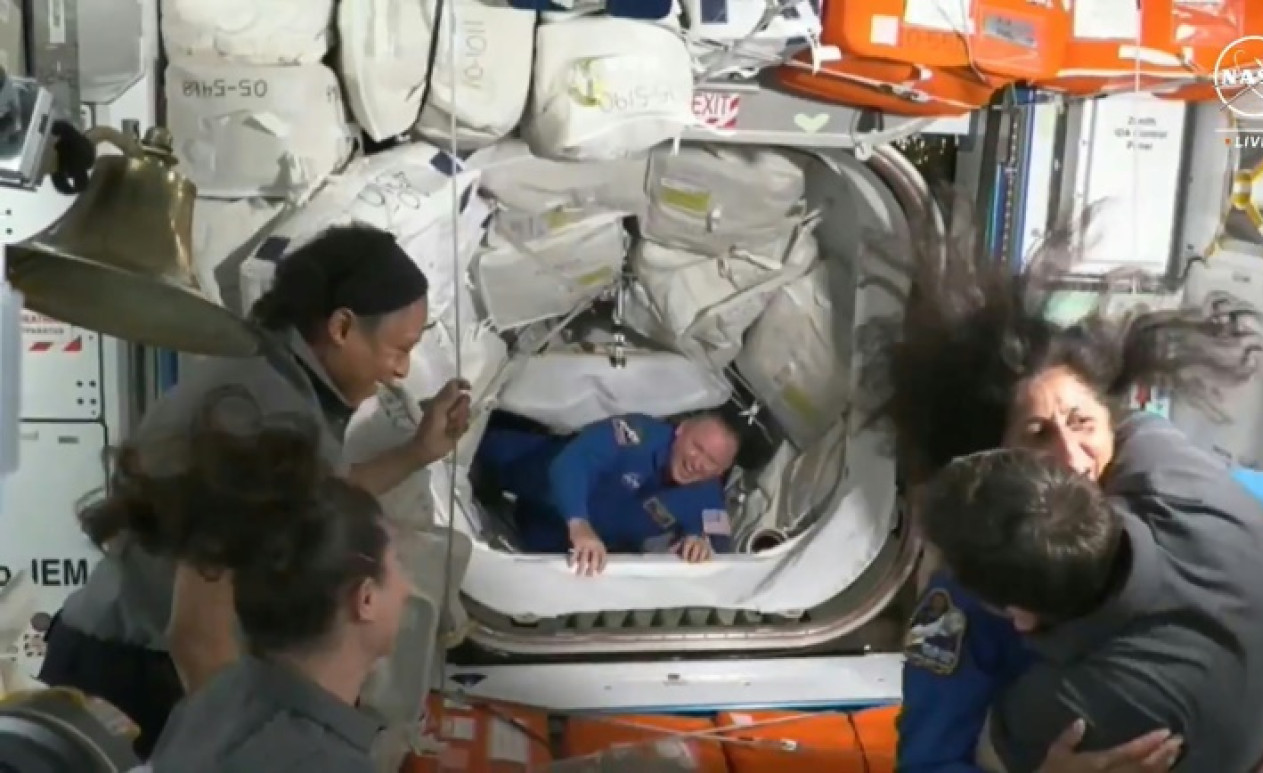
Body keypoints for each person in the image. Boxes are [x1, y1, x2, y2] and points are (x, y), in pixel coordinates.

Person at [882, 218, 1263, 772]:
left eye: (1081, 422)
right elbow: (927, 763)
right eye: (1037, 437)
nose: (1073, 458)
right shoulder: (975, 593)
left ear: (1115, 423)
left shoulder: (1168, 491)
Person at [38, 223, 470, 758]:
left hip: (125, 656)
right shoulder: (265, 409)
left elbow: (313, 498)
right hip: (131, 671)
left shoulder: (271, 376)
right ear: (341, 327)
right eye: (399, 349)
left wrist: (417, 453)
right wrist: (246, 748)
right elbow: (197, 635)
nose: (401, 371)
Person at [81, 400, 409, 771]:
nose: (407, 588)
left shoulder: (219, 700)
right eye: (397, 564)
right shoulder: (325, 763)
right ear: (364, 600)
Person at [474, 411, 740, 574]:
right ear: (680, 431)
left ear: (722, 471)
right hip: (525, 471)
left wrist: (700, 543)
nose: (698, 462)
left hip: (550, 543)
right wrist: (579, 523)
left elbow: (721, 545)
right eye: (697, 447)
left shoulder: (708, 496)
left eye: (712, 462)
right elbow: (573, 462)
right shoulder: (637, 435)